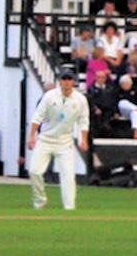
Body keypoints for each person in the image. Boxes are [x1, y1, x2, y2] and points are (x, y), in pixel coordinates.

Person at [27, 67, 91, 211]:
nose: (66, 82)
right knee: (35, 171)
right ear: (59, 81)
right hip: (45, 139)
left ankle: (69, 207)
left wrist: (84, 139)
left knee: (68, 175)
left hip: (65, 141)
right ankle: (40, 202)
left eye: (69, 79)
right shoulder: (49, 96)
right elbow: (38, 117)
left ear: (73, 81)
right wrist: (32, 137)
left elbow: (84, 121)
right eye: (64, 79)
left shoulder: (80, 99)